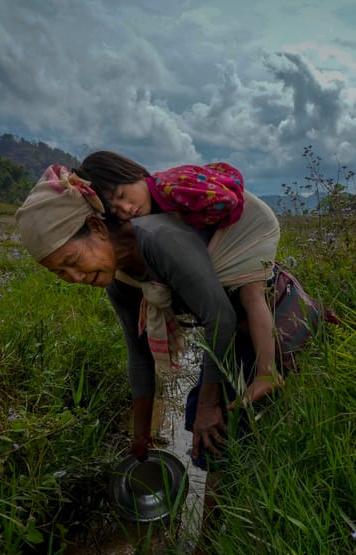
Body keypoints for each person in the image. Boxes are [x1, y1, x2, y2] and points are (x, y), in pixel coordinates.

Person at [14, 162, 281, 464]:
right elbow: (139, 354)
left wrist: (209, 406)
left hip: (254, 311)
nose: (75, 277)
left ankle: (219, 507)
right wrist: (140, 433)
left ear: (98, 228)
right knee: (208, 434)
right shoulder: (120, 280)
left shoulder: (158, 239)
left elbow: (220, 318)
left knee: (215, 431)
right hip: (228, 321)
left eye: (73, 260)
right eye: (60, 272)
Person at [82, 151, 282, 405]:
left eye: (122, 196)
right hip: (228, 232)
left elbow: (227, 201)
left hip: (249, 227)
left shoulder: (171, 187)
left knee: (252, 294)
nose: (127, 209)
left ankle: (268, 373)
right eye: (116, 209)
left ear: (133, 173)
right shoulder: (148, 216)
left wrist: (184, 221)